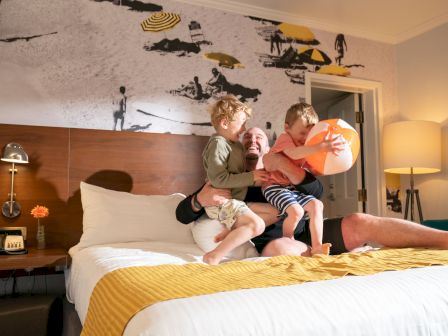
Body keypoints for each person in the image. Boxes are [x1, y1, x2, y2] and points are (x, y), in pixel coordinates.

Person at [176, 127, 448, 257]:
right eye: (246, 138)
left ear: (269, 145)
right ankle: (329, 261)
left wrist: (283, 165)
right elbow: (182, 213)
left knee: (359, 220)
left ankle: (443, 239)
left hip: (310, 229)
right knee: (283, 248)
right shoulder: (226, 178)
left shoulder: (282, 167)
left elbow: (316, 191)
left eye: (259, 136)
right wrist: (199, 200)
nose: (252, 140)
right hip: (275, 241)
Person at [200, 95, 275, 265]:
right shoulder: (218, 144)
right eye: (242, 123)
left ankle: (233, 229)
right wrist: (252, 177)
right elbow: (219, 180)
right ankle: (214, 255)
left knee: (276, 212)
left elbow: (241, 174)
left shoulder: (236, 146)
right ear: (225, 123)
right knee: (257, 226)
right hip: (221, 203)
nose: (243, 129)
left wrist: (260, 177)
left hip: (236, 202)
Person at [262, 103, 345, 255]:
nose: (306, 138)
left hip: (289, 189)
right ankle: (288, 239)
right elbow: (294, 154)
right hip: (273, 187)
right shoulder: (285, 139)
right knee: (297, 211)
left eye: (309, 134)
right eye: (302, 133)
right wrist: (320, 147)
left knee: (317, 205)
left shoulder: (306, 147)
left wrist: (330, 161)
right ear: (287, 128)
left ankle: (317, 247)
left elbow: (312, 169)